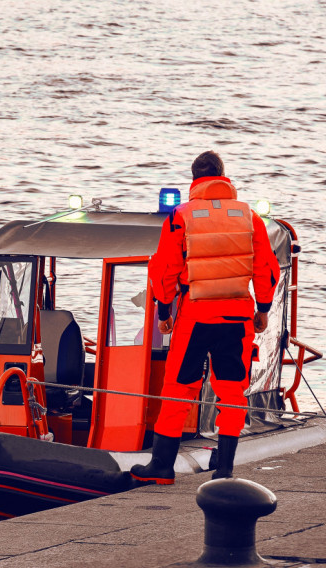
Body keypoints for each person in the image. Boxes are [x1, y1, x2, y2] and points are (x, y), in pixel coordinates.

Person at [131, 151, 280, 484]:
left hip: (195, 315)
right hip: (237, 316)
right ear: (223, 175)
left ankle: (162, 466)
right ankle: (225, 467)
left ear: (194, 179)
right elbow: (266, 269)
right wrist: (264, 310)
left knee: (179, 387)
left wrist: (164, 312)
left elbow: (164, 270)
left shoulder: (181, 217)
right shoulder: (250, 217)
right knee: (232, 391)